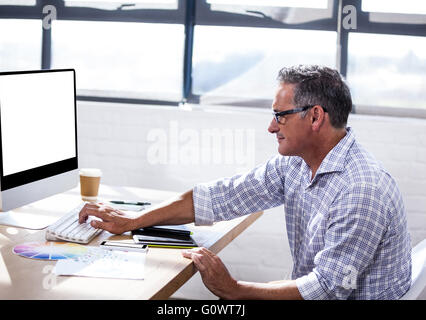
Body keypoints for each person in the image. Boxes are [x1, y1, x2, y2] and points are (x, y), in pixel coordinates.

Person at [79, 65, 412, 300]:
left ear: (315, 116)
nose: (271, 126)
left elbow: (326, 290)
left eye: (281, 115)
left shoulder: (360, 190)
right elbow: (220, 197)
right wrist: (133, 220)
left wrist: (234, 290)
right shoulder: (296, 164)